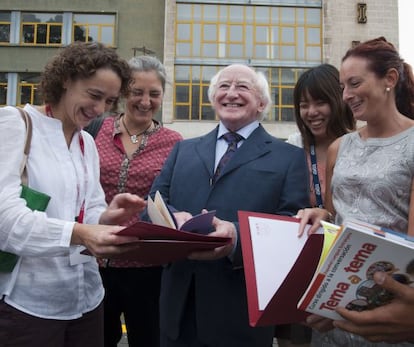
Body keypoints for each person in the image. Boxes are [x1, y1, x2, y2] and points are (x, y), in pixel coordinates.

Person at [147, 63, 310, 347]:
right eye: (224, 86)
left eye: (242, 86)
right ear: (213, 99)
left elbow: (291, 228)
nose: (231, 93)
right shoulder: (183, 149)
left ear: (261, 103)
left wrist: (236, 236)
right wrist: (173, 217)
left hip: (240, 310)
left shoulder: (289, 158)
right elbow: (153, 204)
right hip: (178, 308)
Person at [0, 41, 147, 347]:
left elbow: (89, 208)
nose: (99, 110)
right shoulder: (15, 125)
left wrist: (107, 216)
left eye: (109, 101)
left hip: (86, 299)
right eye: (94, 95)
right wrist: (81, 234)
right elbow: (6, 220)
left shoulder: (86, 143)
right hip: (26, 303)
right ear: (65, 80)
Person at [297, 37, 414, 346]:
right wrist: (320, 215)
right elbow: (337, 218)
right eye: (342, 87)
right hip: (334, 304)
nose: (346, 95)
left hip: (390, 310)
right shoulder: (340, 147)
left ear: (389, 79)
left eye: (354, 83)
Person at [92, 55, 183, 347]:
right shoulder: (94, 131)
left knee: (148, 339)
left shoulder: (175, 142)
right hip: (95, 262)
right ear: (122, 94)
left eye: (154, 94)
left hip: (147, 267)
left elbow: (176, 199)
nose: (145, 101)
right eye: (137, 92)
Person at [276, 64, 355, 347]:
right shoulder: (292, 149)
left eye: (320, 102)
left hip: (346, 272)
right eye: (303, 105)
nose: (311, 112)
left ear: (340, 99)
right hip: (301, 272)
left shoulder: (360, 146)